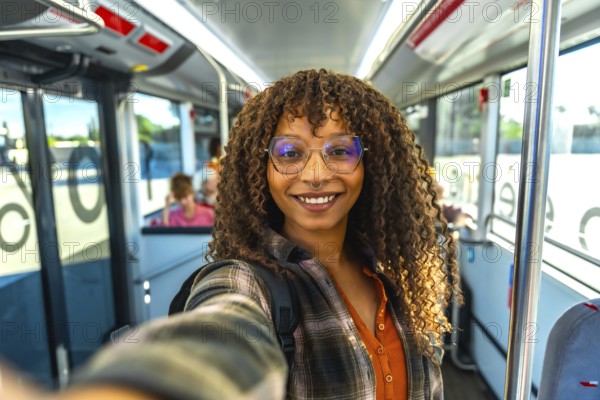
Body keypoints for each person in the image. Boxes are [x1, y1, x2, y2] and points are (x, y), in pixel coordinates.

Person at [2, 69, 460, 399]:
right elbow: (219, 338)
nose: (316, 174)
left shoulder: (398, 272)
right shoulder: (249, 282)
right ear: (260, 169)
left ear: (371, 163)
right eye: (289, 152)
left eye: (340, 150)